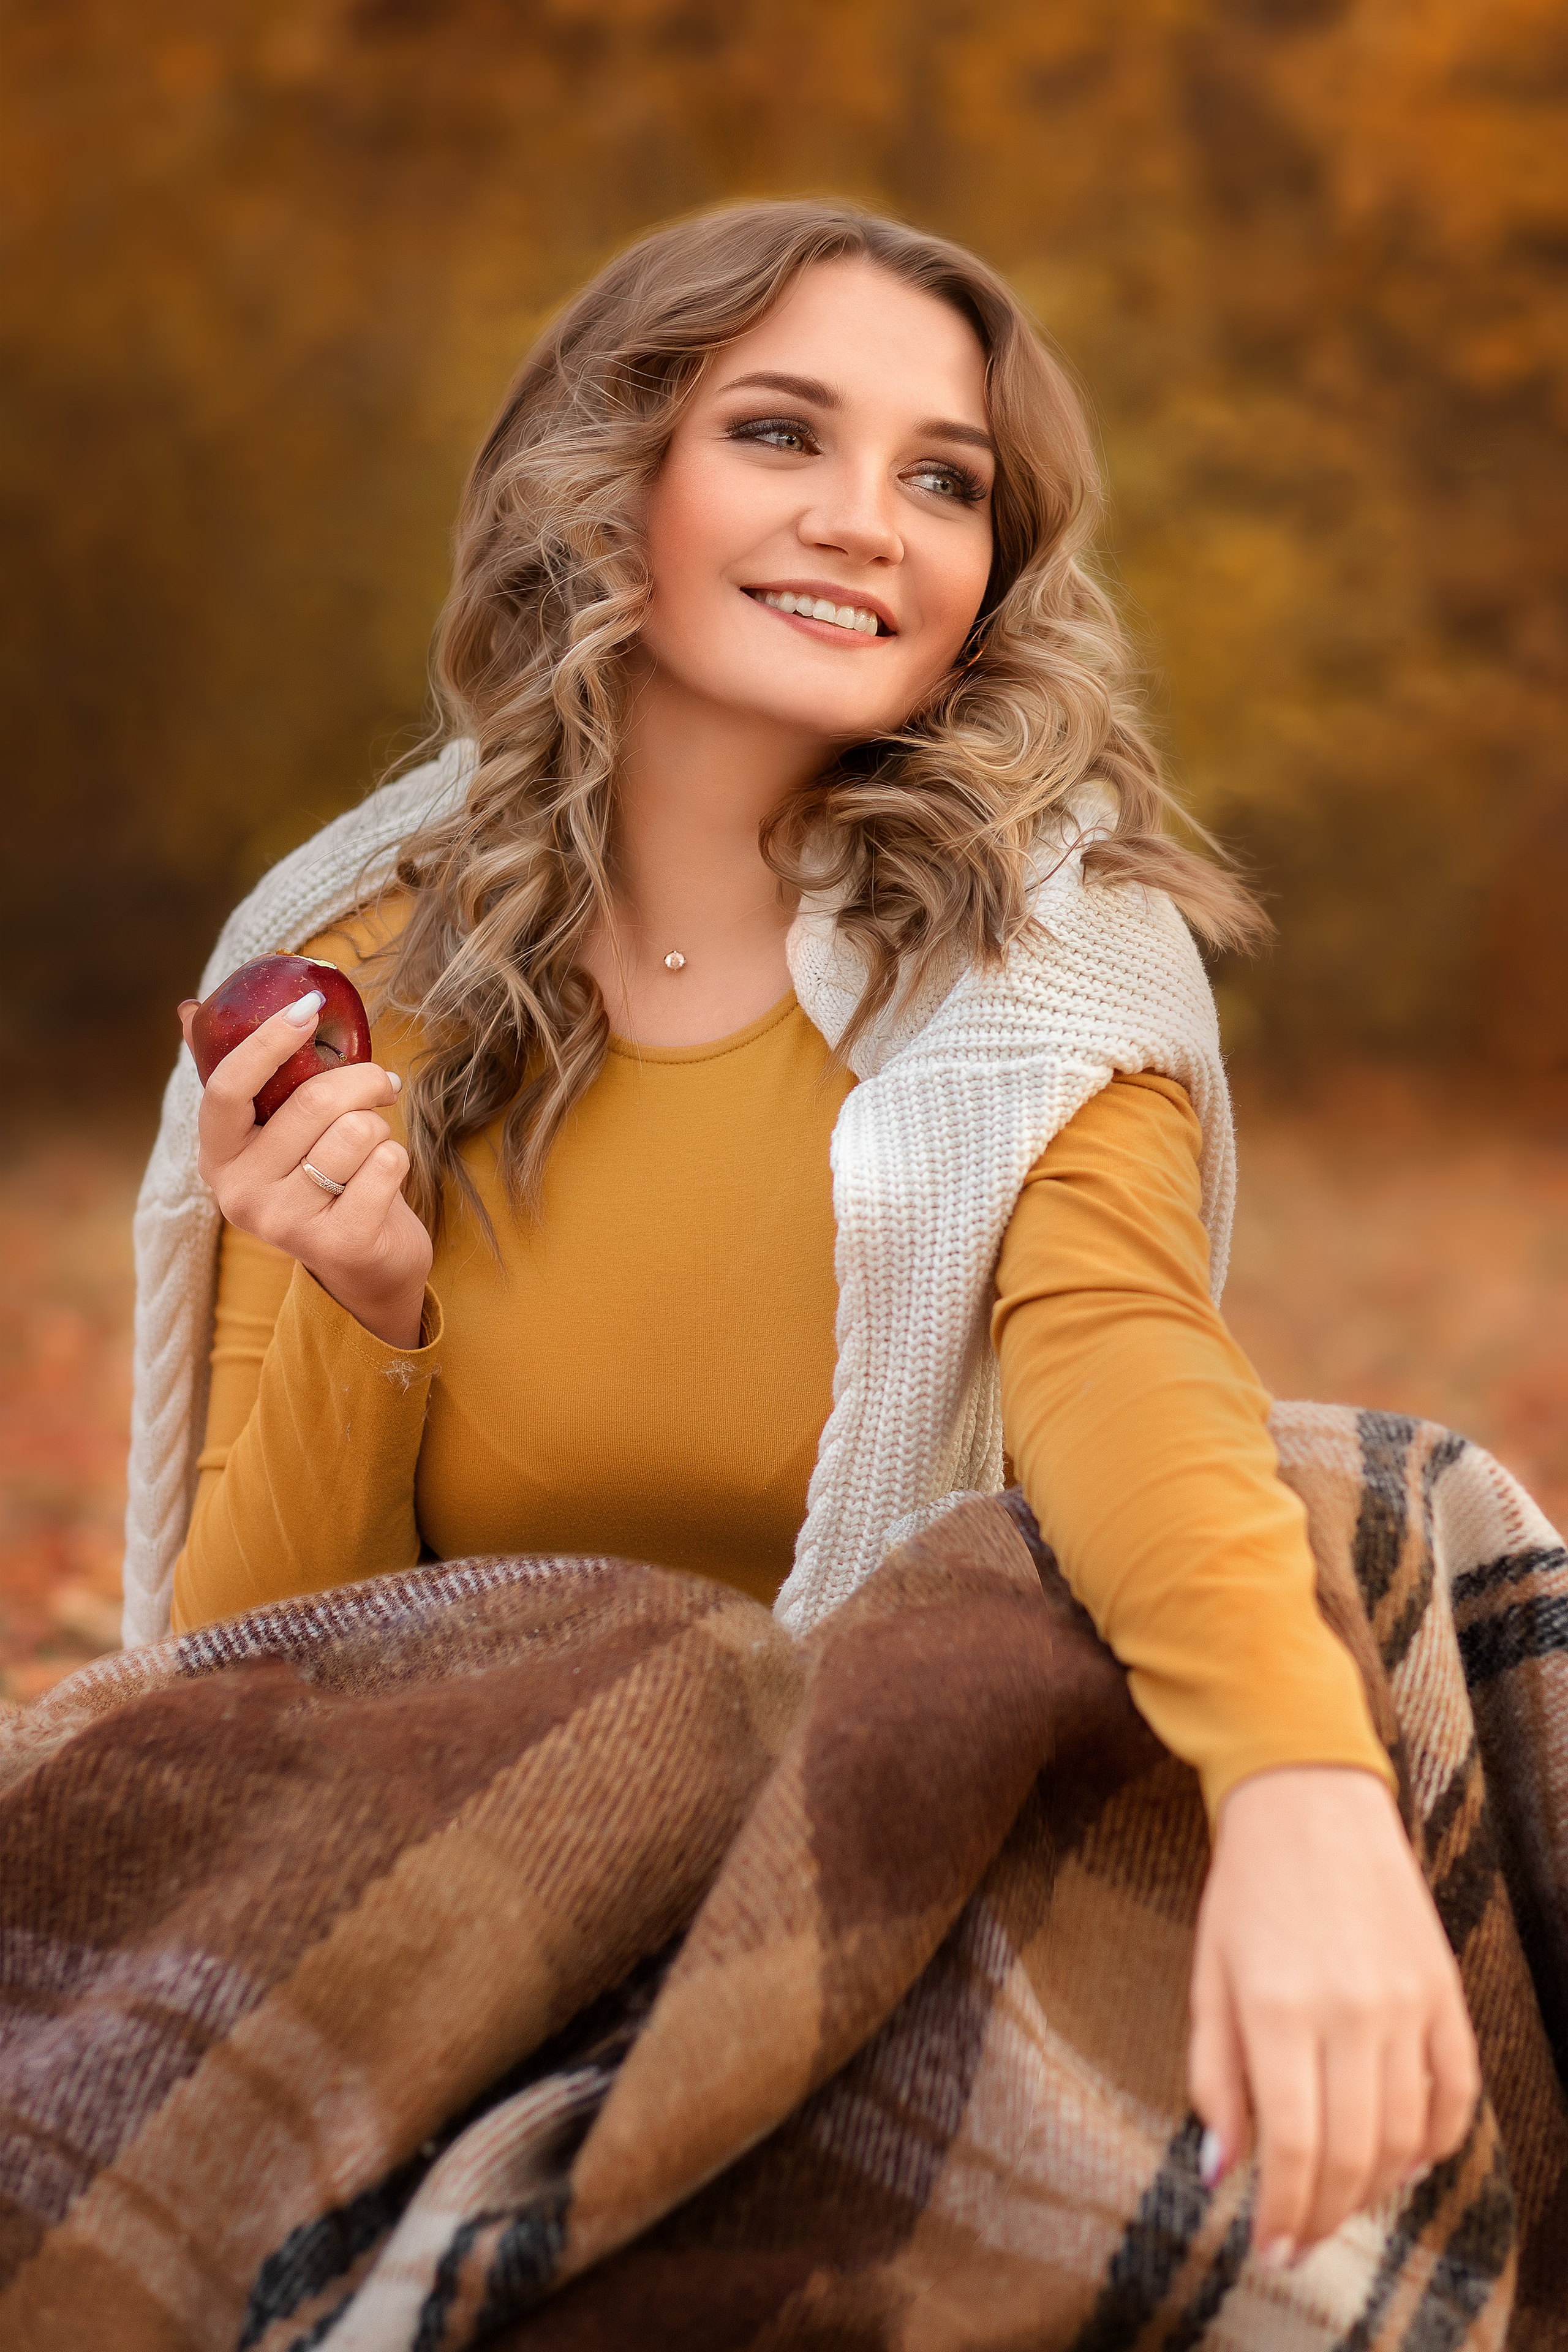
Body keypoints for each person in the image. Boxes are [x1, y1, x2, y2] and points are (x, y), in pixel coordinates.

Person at [134, 200, 1477, 2275]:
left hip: (888, 1884)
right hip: (461, 1915)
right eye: (782, 435)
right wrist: (357, 1309)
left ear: (989, 579)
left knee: (1386, 1505)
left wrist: (1304, 1784)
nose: (871, 520)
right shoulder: (347, 962)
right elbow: (238, 1700)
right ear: (611, 477)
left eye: (944, 479)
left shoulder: (1045, 963)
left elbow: (1130, 1372)